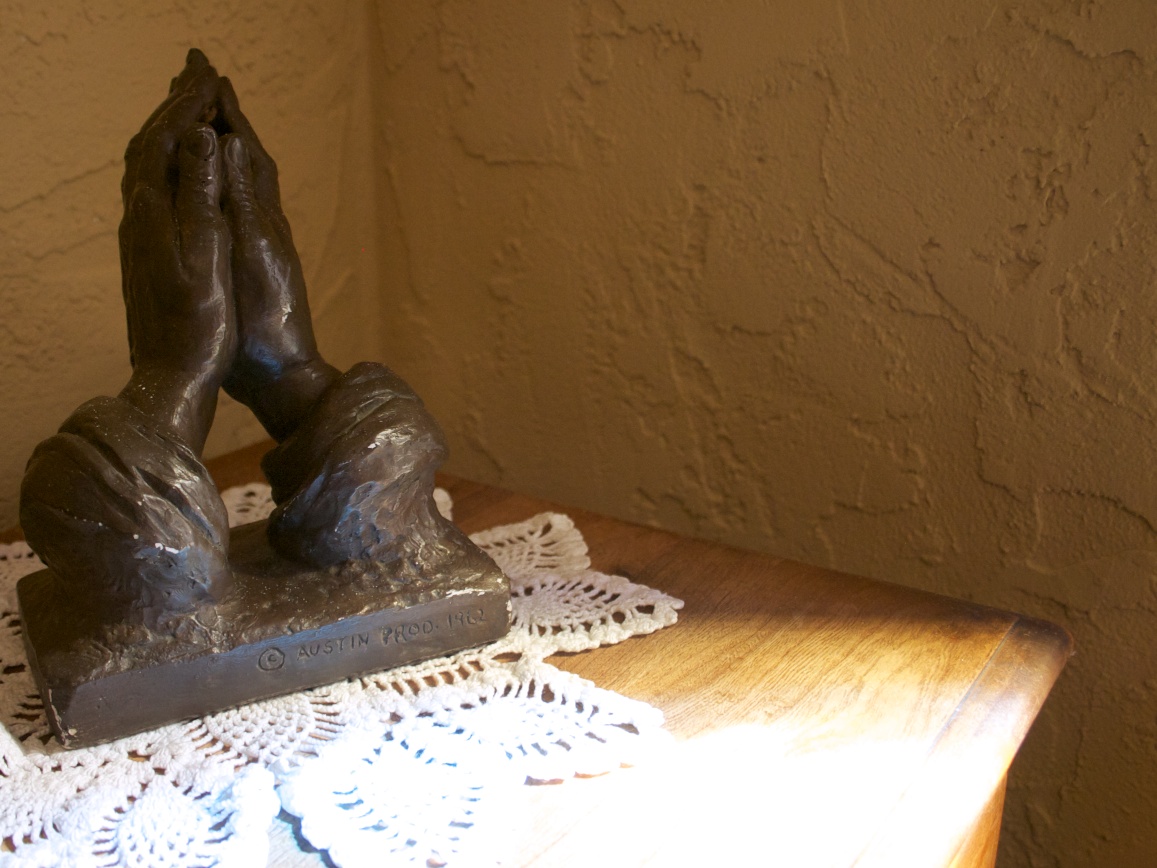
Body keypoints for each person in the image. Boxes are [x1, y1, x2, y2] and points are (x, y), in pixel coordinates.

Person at [20, 50, 448, 634]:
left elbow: (402, 552)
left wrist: (279, 369)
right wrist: (187, 372)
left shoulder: (77, 499)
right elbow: (160, 595)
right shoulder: (82, 509)